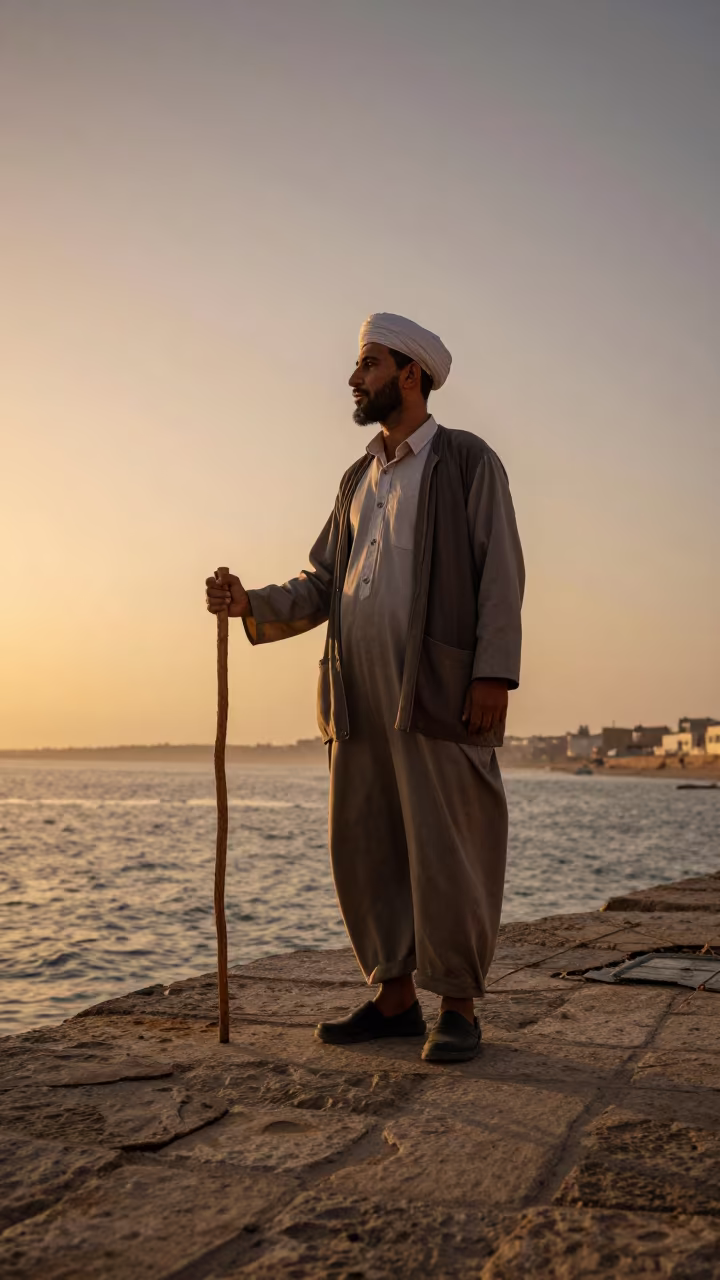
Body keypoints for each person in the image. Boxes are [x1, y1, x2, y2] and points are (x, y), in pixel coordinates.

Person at [206, 313, 524, 1062]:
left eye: (368, 365)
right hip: (355, 694)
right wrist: (251, 601)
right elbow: (323, 581)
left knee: (450, 846)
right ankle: (393, 998)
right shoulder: (357, 478)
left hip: (439, 688)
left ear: (409, 375)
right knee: (366, 841)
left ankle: (459, 1007)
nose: (355, 379)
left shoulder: (467, 462)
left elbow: (501, 574)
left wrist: (492, 674)